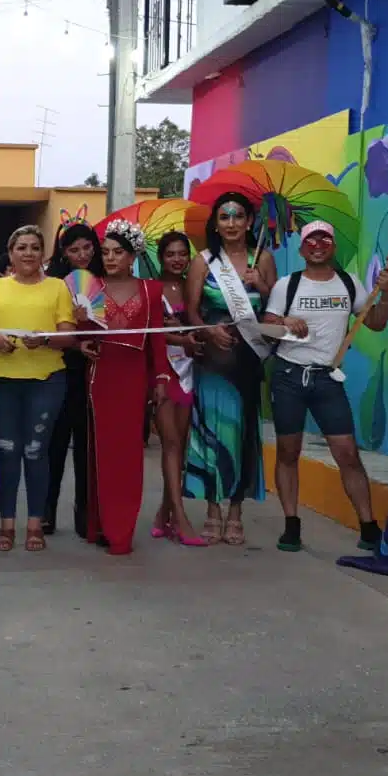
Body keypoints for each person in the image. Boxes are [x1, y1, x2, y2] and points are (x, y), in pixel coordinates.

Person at [265, 220, 388, 553]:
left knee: (348, 453)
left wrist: (387, 292)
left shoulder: (349, 285)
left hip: (327, 379)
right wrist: (284, 322)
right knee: (288, 453)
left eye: (324, 239)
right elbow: (266, 328)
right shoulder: (286, 286)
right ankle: (292, 525)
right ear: (302, 247)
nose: (317, 245)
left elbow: (376, 323)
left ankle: (369, 527)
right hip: (289, 377)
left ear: (333, 246)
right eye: (311, 240)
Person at [0, 225, 79, 552]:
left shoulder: (58, 288)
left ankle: (35, 525)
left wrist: (44, 338)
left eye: (35, 247)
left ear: (42, 253)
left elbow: (69, 336)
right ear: (11, 252)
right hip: (2, 379)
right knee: (7, 451)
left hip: (46, 380)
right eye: (22, 247)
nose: (28, 253)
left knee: (35, 451)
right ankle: (6, 526)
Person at [184, 192, 278, 546]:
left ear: (249, 221)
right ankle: (212, 509)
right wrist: (208, 331)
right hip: (213, 362)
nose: (231, 223)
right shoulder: (204, 262)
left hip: (248, 362)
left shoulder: (263, 259)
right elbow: (191, 311)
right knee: (211, 432)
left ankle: (236, 511)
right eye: (224, 217)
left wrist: (262, 285)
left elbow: (275, 309)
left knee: (242, 433)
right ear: (216, 223)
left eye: (238, 216)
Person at [77, 221, 172, 555]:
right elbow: (81, 332)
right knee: (102, 452)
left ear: (132, 256)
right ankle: (103, 525)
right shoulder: (92, 287)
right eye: (105, 252)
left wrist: (160, 378)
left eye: (118, 252)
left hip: (134, 378)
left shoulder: (151, 291)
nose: (111, 258)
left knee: (130, 454)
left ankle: (123, 530)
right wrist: (82, 339)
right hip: (101, 375)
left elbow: (157, 339)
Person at [42, 220, 105, 538]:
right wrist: (75, 339)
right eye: (74, 249)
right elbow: (45, 328)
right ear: (63, 253)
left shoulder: (107, 281)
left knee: (87, 446)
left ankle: (85, 511)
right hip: (62, 370)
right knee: (54, 444)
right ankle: (46, 511)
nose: (82, 254)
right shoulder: (53, 284)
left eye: (87, 247)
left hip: (99, 372)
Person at [149, 231, 206, 545]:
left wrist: (189, 338)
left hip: (190, 370)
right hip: (162, 371)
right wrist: (176, 337)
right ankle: (180, 519)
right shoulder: (150, 290)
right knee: (170, 442)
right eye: (170, 254)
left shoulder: (193, 286)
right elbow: (147, 334)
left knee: (180, 446)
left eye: (182, 253)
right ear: (160, 257)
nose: (177, 259)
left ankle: (163, 513)